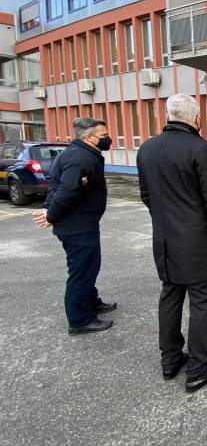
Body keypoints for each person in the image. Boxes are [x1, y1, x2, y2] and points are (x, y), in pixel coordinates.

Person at [137, 94, 207, 393]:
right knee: (202, 303)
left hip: (165, 241)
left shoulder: (147, 149)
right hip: (199, 244)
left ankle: (170, 360)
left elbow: (147, 196)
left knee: (170, 296)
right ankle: (197, 369)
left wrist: (167, 222)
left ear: (168, 115)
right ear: (196, 118)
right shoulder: (201, 149)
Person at [33, 117, 115, 335]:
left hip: (81, 223)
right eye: (104, 136)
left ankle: (91, 302)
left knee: (88, 266)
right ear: (90, 138)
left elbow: (56, 186)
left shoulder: (77, 154)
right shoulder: (80, 158)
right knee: (82, 270)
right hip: (77, 226)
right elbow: (67, 191)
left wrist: (48, 208)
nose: (108, 139)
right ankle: (80, 320)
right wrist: (51, 215)